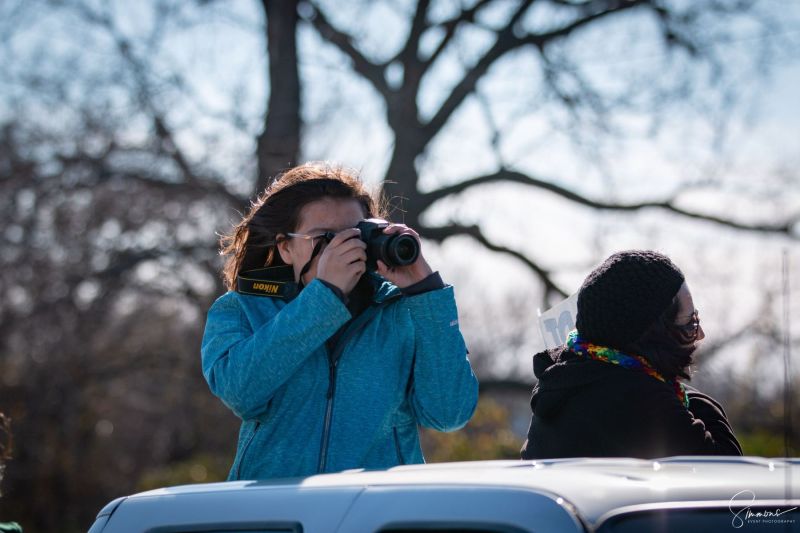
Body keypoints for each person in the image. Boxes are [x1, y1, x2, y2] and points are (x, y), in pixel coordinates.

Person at [201, 162, 478, 480]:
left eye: (353, 235)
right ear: (286, 247)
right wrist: (324, 298)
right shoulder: (241, 309)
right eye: (325, 237)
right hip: (274, 514)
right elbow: (240, 392)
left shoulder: (402, 312)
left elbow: (449, 414)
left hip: (378, 515)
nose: (341, 248)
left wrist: (426, 292)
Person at [521, 250, 742, 459]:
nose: (700, 335)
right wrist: (679, 386)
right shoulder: (647, 402)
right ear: (655, 334)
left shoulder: (557, 387)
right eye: (690, 323)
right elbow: (731, 478)